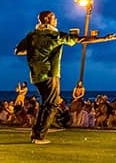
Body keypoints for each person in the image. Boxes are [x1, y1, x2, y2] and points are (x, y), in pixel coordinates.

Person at [14, 11, 110, 144]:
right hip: (50, 74)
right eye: (54, 17)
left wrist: (35, 51)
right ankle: (39, 136)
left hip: (36, 75)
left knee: (45, 104)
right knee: (51, 104)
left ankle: (36, 133)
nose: (56, 20)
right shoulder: (55, 36)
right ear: (47, 19)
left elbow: (18, 51)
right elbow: (80, 39)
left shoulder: (31, 36)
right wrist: (104, 38)